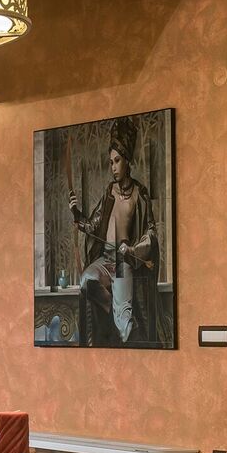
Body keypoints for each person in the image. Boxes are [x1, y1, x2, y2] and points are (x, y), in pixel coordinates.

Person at [68, 122, 159, 346]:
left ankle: (124, 326)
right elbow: (93, 224)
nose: (113, 167)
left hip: (122, 260)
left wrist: (132, 249)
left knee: (124, 322)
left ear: (127, 160)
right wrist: (76, 213)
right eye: (111, 163)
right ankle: (111, 315)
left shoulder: (139, 194)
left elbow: (150, 233)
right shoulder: (109, 191)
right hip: (104, 258)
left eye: (117, 161)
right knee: (86, 281)